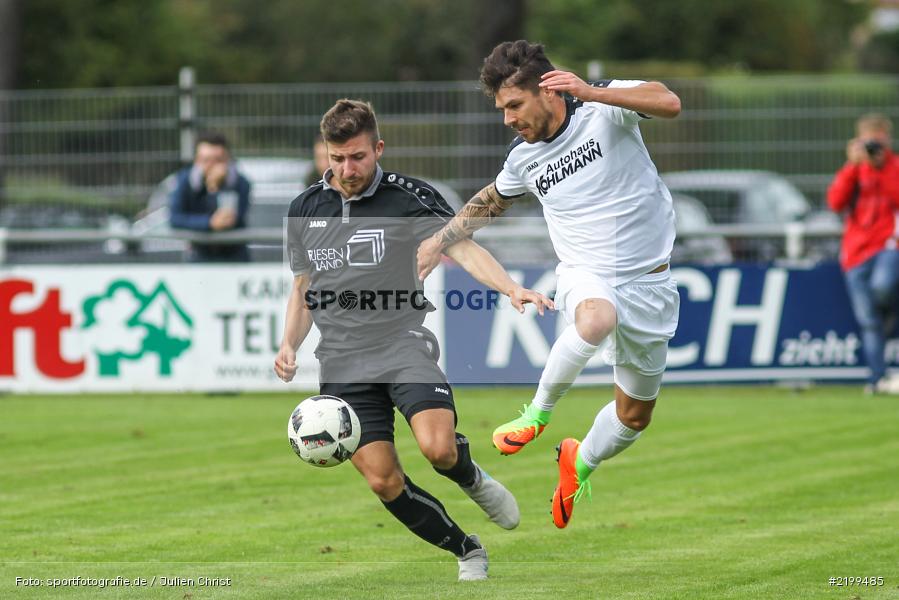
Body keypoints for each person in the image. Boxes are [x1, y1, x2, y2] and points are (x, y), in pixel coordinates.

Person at [274, 99, 553, 581]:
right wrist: (288, 345)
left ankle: (471, 476)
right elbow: (303, 288)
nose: (347, 168)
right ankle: (467, 549)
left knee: (438, 450)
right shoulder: (305, 209)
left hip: (403, 344)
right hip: (341, 365)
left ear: (377, 148)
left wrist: (510, 288)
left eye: (358, 156)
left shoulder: (410, 198)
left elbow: (462, 246)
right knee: (384, 481)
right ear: (325, 154)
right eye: (337, 158)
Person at [417, 40, 682, 529]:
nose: (507, 118)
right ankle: (536, 415)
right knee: (598, 318)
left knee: (634, 418)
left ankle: (579, 461)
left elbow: (669, 103)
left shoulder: (602, 105)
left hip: (651, 283)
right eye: (501, 109)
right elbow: (491, 200)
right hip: (587, 272)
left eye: (514, 105)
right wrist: (440, 240)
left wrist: (594, 92)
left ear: (547, 90)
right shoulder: (523, 158)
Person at [827, 113, 899, 394]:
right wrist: (851, 165)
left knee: (883, 288)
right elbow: (835, 202)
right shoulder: (854, 169)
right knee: (868, 321)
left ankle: (893, 316)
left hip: (888, 245)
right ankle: (877, 379)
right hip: (855, 252)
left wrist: (880, 167)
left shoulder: (892, 166)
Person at [169, 131, 251, 262]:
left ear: (228, 160)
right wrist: (209, 222)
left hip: (234, 257)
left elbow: (231, 219)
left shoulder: (240, 183)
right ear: (197, 161)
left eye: (218, 160)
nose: (212, 166)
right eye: (206, 160)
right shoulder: (185, 181)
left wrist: (218, 187)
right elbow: (175, 218)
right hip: (198, 256)